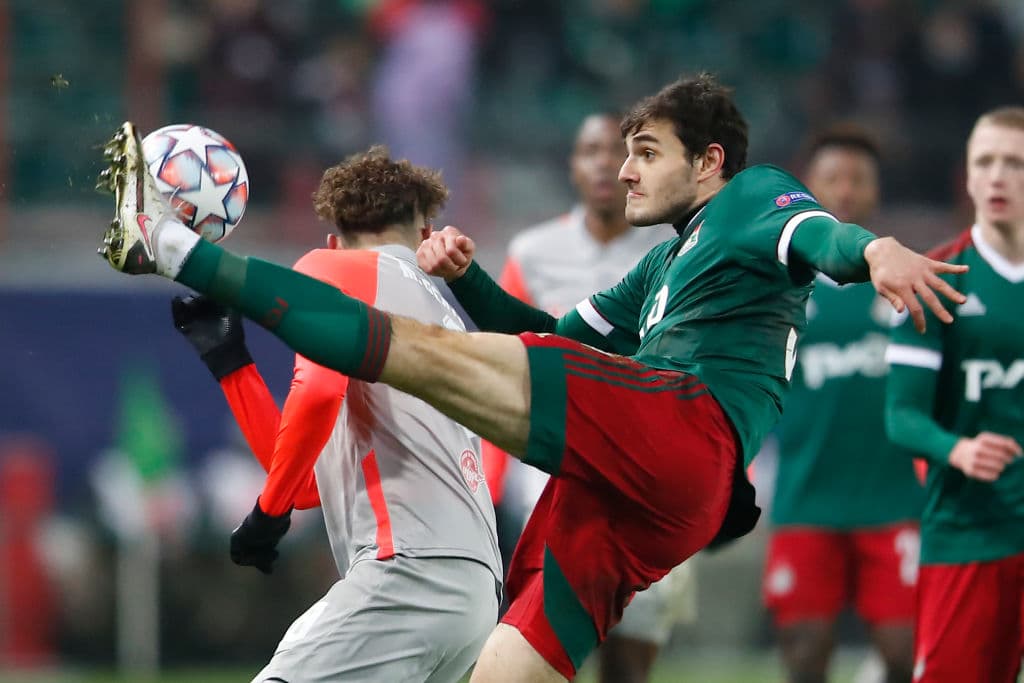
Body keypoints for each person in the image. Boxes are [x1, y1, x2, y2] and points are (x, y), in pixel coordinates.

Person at [97, 73, 966, 683]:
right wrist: (470, 279)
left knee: (423, 356)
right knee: (508, 664)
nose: (626, 170)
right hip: (654, 482)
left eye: (646, 151)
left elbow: (817, 237)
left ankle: (171, 244)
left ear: (707, 161)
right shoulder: (666, 267)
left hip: (682, 422)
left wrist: (876, 250)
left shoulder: (750, 198)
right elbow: (555, 332)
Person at [170, 147, 503, 682]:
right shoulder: (442, 314)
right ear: (425, 234)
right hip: (473, 591)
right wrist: (231, 363)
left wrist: (267, 514)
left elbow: (319, 392)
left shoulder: (333, 266)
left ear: (332, 240)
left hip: (409, 570)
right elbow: (307, 484)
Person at [489, 111, 688, 683]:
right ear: (573, 168)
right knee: (546, 640)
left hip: (645, 469)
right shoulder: (532, 252)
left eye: (621, 151)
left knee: (630, 658)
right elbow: (509, 361)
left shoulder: (673, 250)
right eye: (590, 151)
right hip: (553, 460)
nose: (605, 163)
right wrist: (495, 483)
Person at [763, 126, 922, 683]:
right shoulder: (776, 294)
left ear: (877, 191)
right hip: (807, 499)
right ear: (808, 189)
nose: (847, 190)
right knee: (804, 658)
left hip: (896, 499)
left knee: (906, 655)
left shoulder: (909, 284)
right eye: (833, 177)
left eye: (859, 179)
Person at [885, 107, 1024, 683]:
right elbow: (901, 415)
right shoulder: (936, 277)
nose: (996, 177)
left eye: (1014, 163)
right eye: (984, 162)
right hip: (969, 531)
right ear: (966, 179)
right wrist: (959, 450)